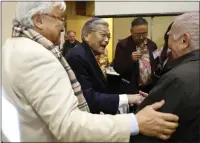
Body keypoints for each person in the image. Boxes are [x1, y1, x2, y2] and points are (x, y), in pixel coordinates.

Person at [2, 1, 179, 142]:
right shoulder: (36, 56)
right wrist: (135, 122)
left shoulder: (13, 46)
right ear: (38, 20)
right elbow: (68, 125)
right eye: (59, 19)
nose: (63, 27)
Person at [133, 12, 200, 143]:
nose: (168, 50)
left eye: (169, 38)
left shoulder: (178, 78)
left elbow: (146, 133)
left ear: (184, 41)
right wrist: (161, 96)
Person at [66, 18, 146, 115]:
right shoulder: (77, 56)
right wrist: (127, 98)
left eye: (109, 37)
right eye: (103, 35)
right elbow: (87, 98)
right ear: (86, 35)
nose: (107, 40)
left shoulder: (91, 54)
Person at [113, 17, 159, 94]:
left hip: (150, 88)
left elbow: (157, 61)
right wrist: (130, 60)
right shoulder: (123, 45)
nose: (141, 37)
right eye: (138, 34)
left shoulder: (152, 45)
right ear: (131, 31)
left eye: (144, 34)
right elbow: (117, 68)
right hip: (132, 89)